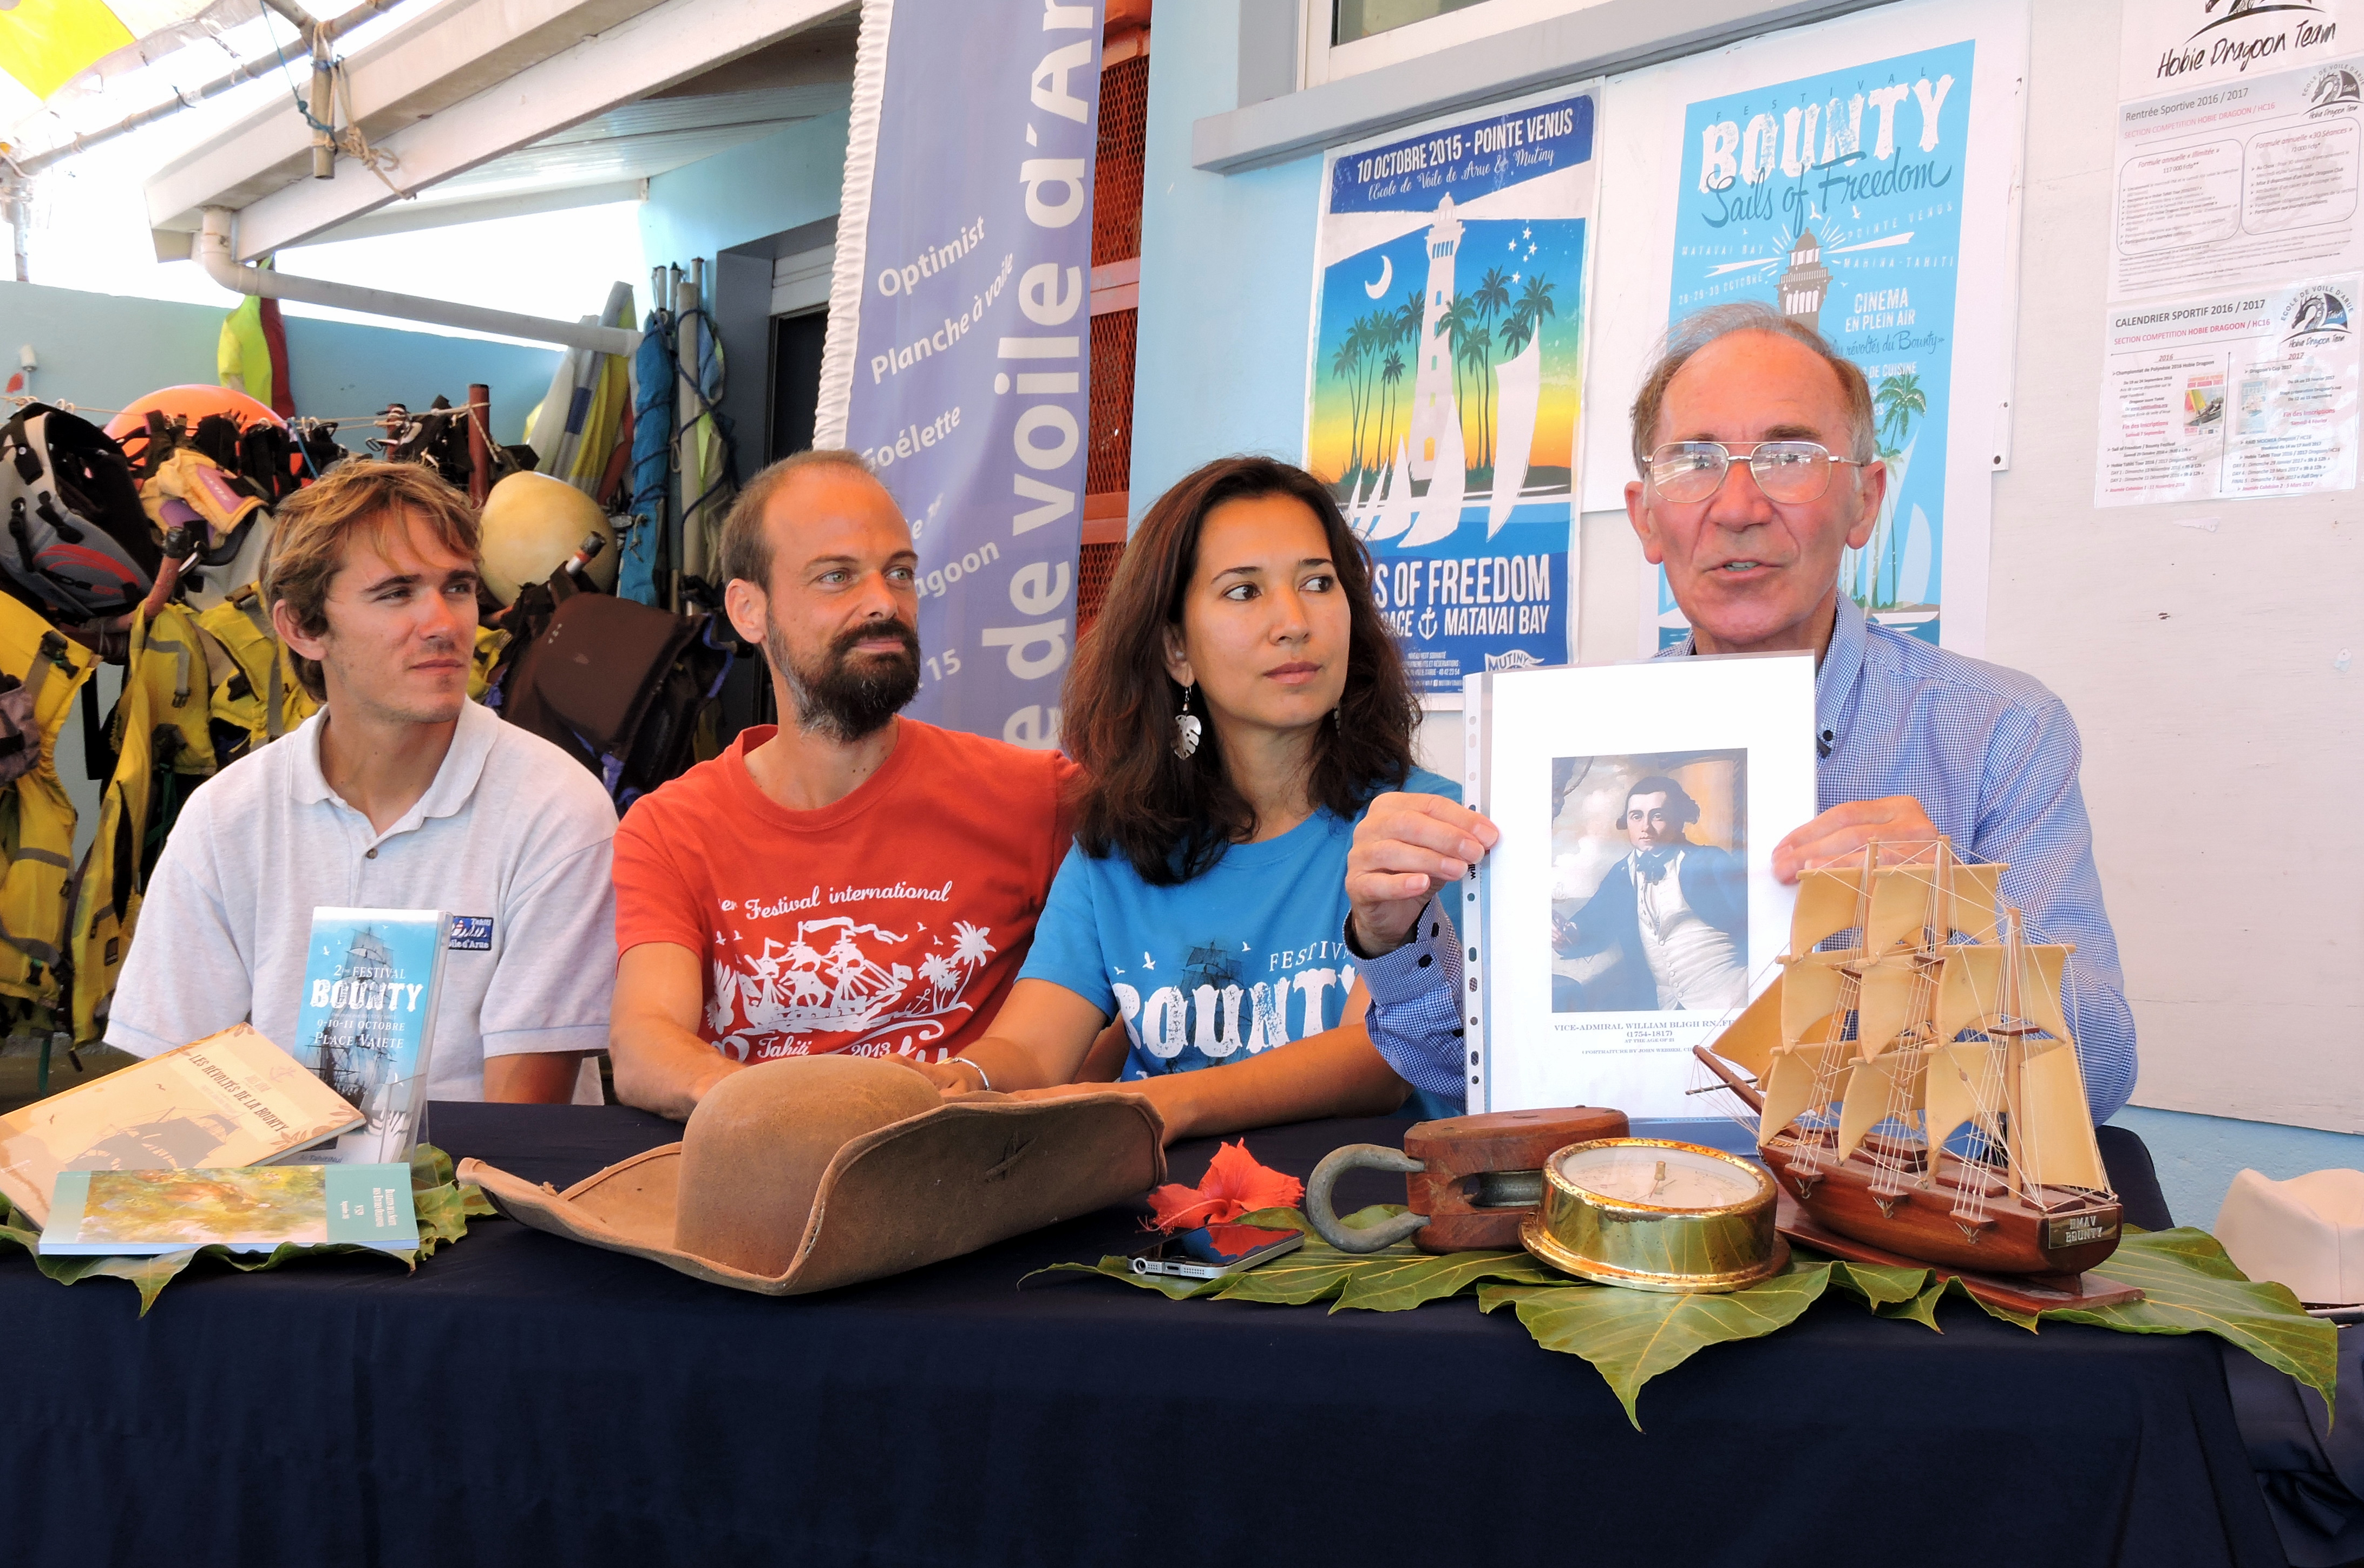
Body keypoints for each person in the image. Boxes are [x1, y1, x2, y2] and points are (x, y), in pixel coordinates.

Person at [1348, 300, 2137, 1121]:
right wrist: (1393, 934)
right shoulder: (1570, 735)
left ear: (1864, 502)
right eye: (1693, 461)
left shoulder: (2001, 731)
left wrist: (1950, 920)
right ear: (1646, 517)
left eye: (1788, 455)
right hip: (1632, 1215)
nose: (1737, 506)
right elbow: (1458, 1073)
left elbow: (2099, 1075)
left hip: (1888, 1231)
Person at [892, 455, 1453, 1138]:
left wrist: (1162, 1103)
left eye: (1318, 582)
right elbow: (1033, 1051)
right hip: (1154, 1227)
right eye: (1245, 592)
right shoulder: (1118, 852)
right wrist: (964, 1080)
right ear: (1175, 650)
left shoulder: (1423, 825)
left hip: (1362, 1227)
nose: (1294, 621)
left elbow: (1378, 1062)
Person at [106, 460, 618, 1101]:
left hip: (482, 1194)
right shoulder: (225, 818)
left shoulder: (557, 809)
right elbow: (172, 1089)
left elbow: (519, 1129)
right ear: (302, 628)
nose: (443, 623)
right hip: (273, 1194)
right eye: (397, 593)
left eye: (458, 587)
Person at [607, 450, 1070, 1119]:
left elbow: (1120, 998)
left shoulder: (1039, 797)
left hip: (965, 1186)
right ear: (748, 611)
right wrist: (780, 1113)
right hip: (759, 1180)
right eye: (836, 577)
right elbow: (643, 1039)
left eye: (900, 573)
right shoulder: (671, 827)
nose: (884, 603)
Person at [1554, 772, 1746, 1015]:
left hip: (1729, 996)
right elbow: (1595, 919)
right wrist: (1569, 933)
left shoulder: (1710, 860)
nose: (1646, 828)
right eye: (1636, 817)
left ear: (1678, 820)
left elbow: (1753, 924)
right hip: (1666, 1006)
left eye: (1658, 816)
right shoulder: (1623, 872)